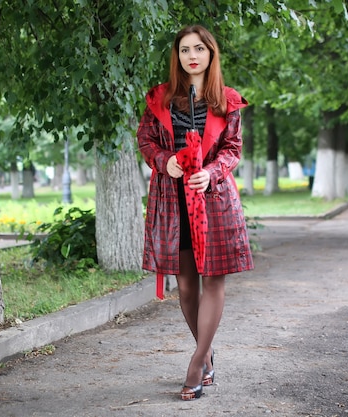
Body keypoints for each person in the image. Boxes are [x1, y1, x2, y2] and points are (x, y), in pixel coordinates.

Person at [137, 25, 254, 401]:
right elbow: (146, 140)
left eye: (199, 48)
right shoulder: (159, 98)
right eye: (185, 49)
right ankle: (208, 354)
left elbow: (232, 149)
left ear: (210, 54)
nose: (192, 55)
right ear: (178, 56)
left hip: (213, 200)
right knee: (186, 286)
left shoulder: (227, 100)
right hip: (172, 201)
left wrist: (212, 172)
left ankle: (197, 363)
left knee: (213, 283)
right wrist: (163, 160)